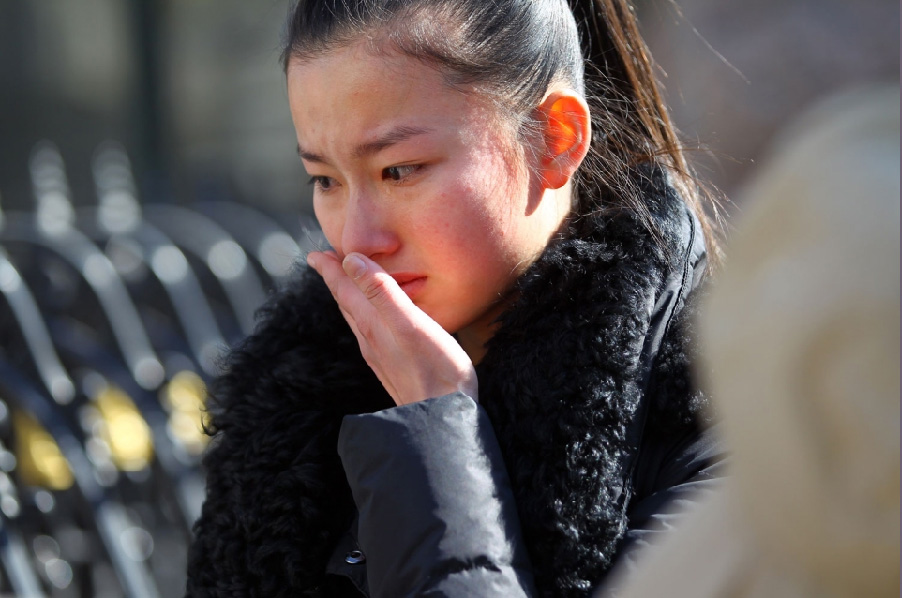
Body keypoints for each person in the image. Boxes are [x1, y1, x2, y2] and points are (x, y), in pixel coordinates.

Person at [186, 0, 724, 596]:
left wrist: (436, 429)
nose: (358, 240)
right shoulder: (285, 419)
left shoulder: (733, 426)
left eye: (400, 170)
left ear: (555, 139)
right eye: (325, 180)